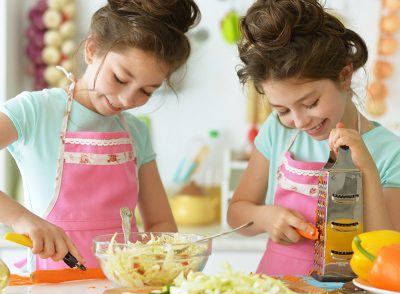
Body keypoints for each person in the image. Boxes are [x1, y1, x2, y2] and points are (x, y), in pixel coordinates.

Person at [0, 0, 201, 271]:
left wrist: (155, 260)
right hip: (48, 288)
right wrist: (22, 219)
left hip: (120, 290)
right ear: (92, 49)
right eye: (120, 78)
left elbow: (161, 225)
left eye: (147, 91)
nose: (127, 99)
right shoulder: (36, 111)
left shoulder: (136, 131)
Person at [227, 0, 400, 276]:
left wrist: (365, 167)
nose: (299, 121)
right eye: (282, 109)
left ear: (344, 76)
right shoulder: (277, 130)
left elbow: (388, 252)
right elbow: (236, 212)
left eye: (310, 103)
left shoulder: (391, 153)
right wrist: (265, 217)